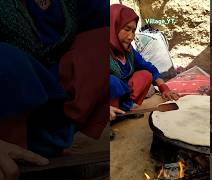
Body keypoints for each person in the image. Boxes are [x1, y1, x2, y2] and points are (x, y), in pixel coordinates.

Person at [0, 0, 108, 176]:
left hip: (56, 95)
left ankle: (55, 144)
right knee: (7, 62)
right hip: (11, 100)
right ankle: (18, 162)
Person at [109, 4, 179, 111]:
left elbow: (148, 68)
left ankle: (126, 108)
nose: (131, 37)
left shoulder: (129, 51)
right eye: (127, 29)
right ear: (113, 27)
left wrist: (164, 89)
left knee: (145, 75)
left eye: (133, 31)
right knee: (111, 81)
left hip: (124, 96)